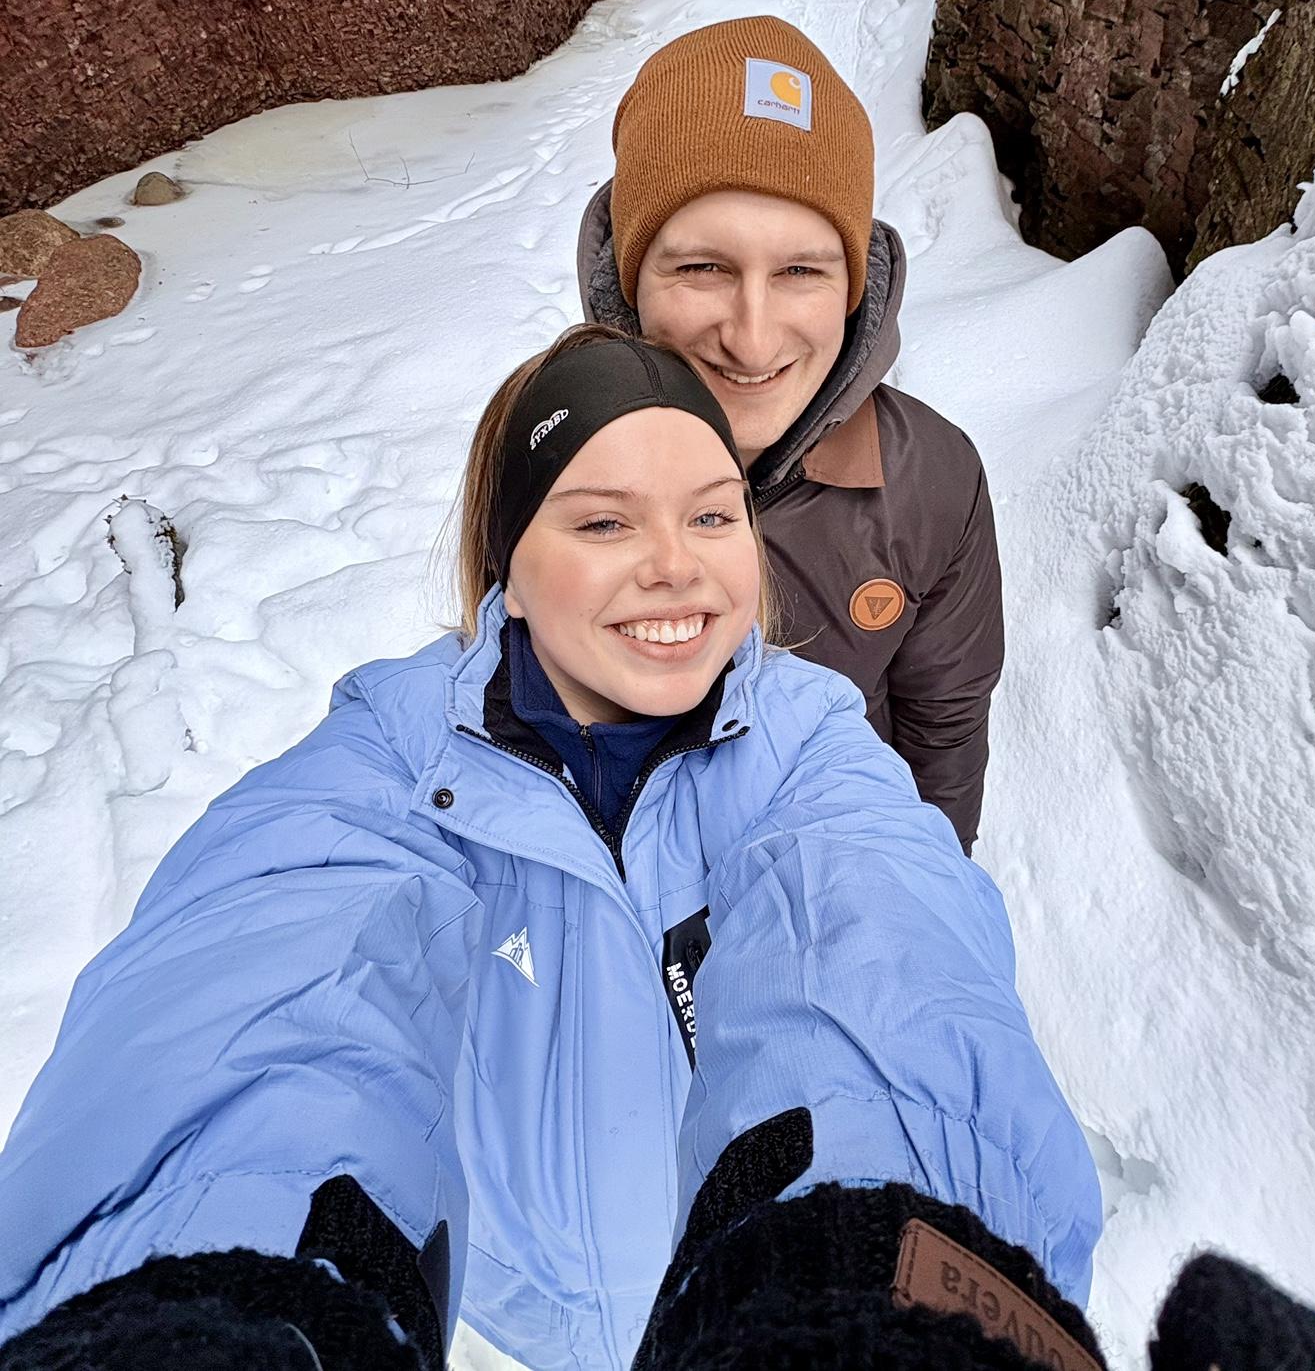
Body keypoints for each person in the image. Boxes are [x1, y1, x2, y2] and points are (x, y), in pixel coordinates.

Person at [0, 326, 1098, 1371]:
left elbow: (876, 961)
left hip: (727, 1289)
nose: (678, 566)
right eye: (604, 523)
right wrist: (217, 1288)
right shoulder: (392, 758)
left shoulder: (808, 748)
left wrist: (867, 1263)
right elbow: (274, 983)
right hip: (515, 1306)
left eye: (715, 518)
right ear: (509, 568)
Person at [578, 16, 1005, 853]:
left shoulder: (932, 485)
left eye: (802, 271)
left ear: (856, 285)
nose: (754, 337)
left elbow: (942, 728)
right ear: (631, 280)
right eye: (703, 267)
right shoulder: (555, 457)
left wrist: (921, 888)